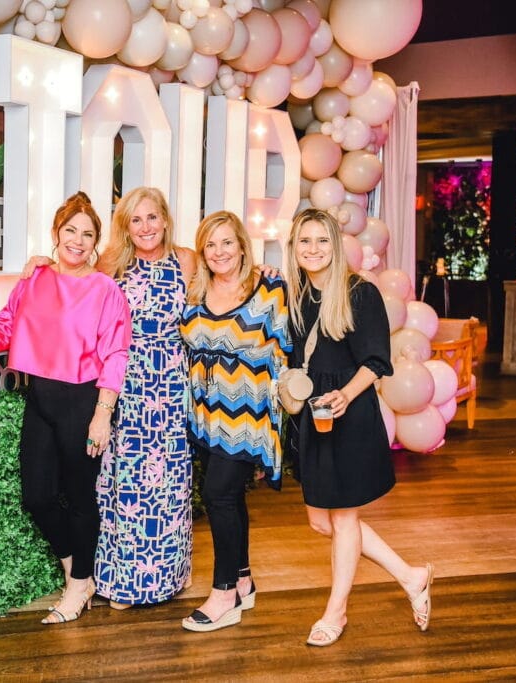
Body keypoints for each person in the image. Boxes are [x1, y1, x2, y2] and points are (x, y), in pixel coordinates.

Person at [0, 192, 131, 625]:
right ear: (57, 233)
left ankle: (78, 584)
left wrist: (102, 412)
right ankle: (78, 572)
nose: (77, 240)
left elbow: (116, 353)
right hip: (39, 398)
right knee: (36, 496)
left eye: (87, 234)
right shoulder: (34, 279)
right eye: (70, 230)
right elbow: (7, 326)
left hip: (82, 400)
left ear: (96, 242)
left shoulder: (105, 289)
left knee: (79, 498)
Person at [283, 207, 434, 647]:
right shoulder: (295, 294)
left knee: (345, 519)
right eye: (304, 241)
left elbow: (376, 361)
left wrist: (346, 395)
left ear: (336, 244)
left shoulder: (358, 293)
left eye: (322, 241)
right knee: (320, 520)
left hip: (347, 414)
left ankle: (336, 612)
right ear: (294, 246)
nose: (313, 250)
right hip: (312, 416)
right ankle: (411, 575)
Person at [178, 210, 290, 632]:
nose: (219, 251)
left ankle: (223, 592)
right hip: (206, 413)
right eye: (210, 244)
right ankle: (243, 580)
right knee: (230, 498)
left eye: (227, 242)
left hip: (249, 411)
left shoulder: (269, 286)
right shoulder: (196, 290)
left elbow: (284, 351)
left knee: (218, 494)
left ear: (243, 245)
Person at [91, 187, 197, 609]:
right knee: (127, 480)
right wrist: (39, 263)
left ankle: (169, 576)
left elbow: (230, 279)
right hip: (127, 382)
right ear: (126, 226)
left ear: (166, 220)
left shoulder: (187, 260)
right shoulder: (111, 263)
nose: (146, 227)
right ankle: (125, 583)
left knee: (171, 481)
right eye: (136, 220)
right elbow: (74, 282)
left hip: (171, 382)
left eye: (152, 217)